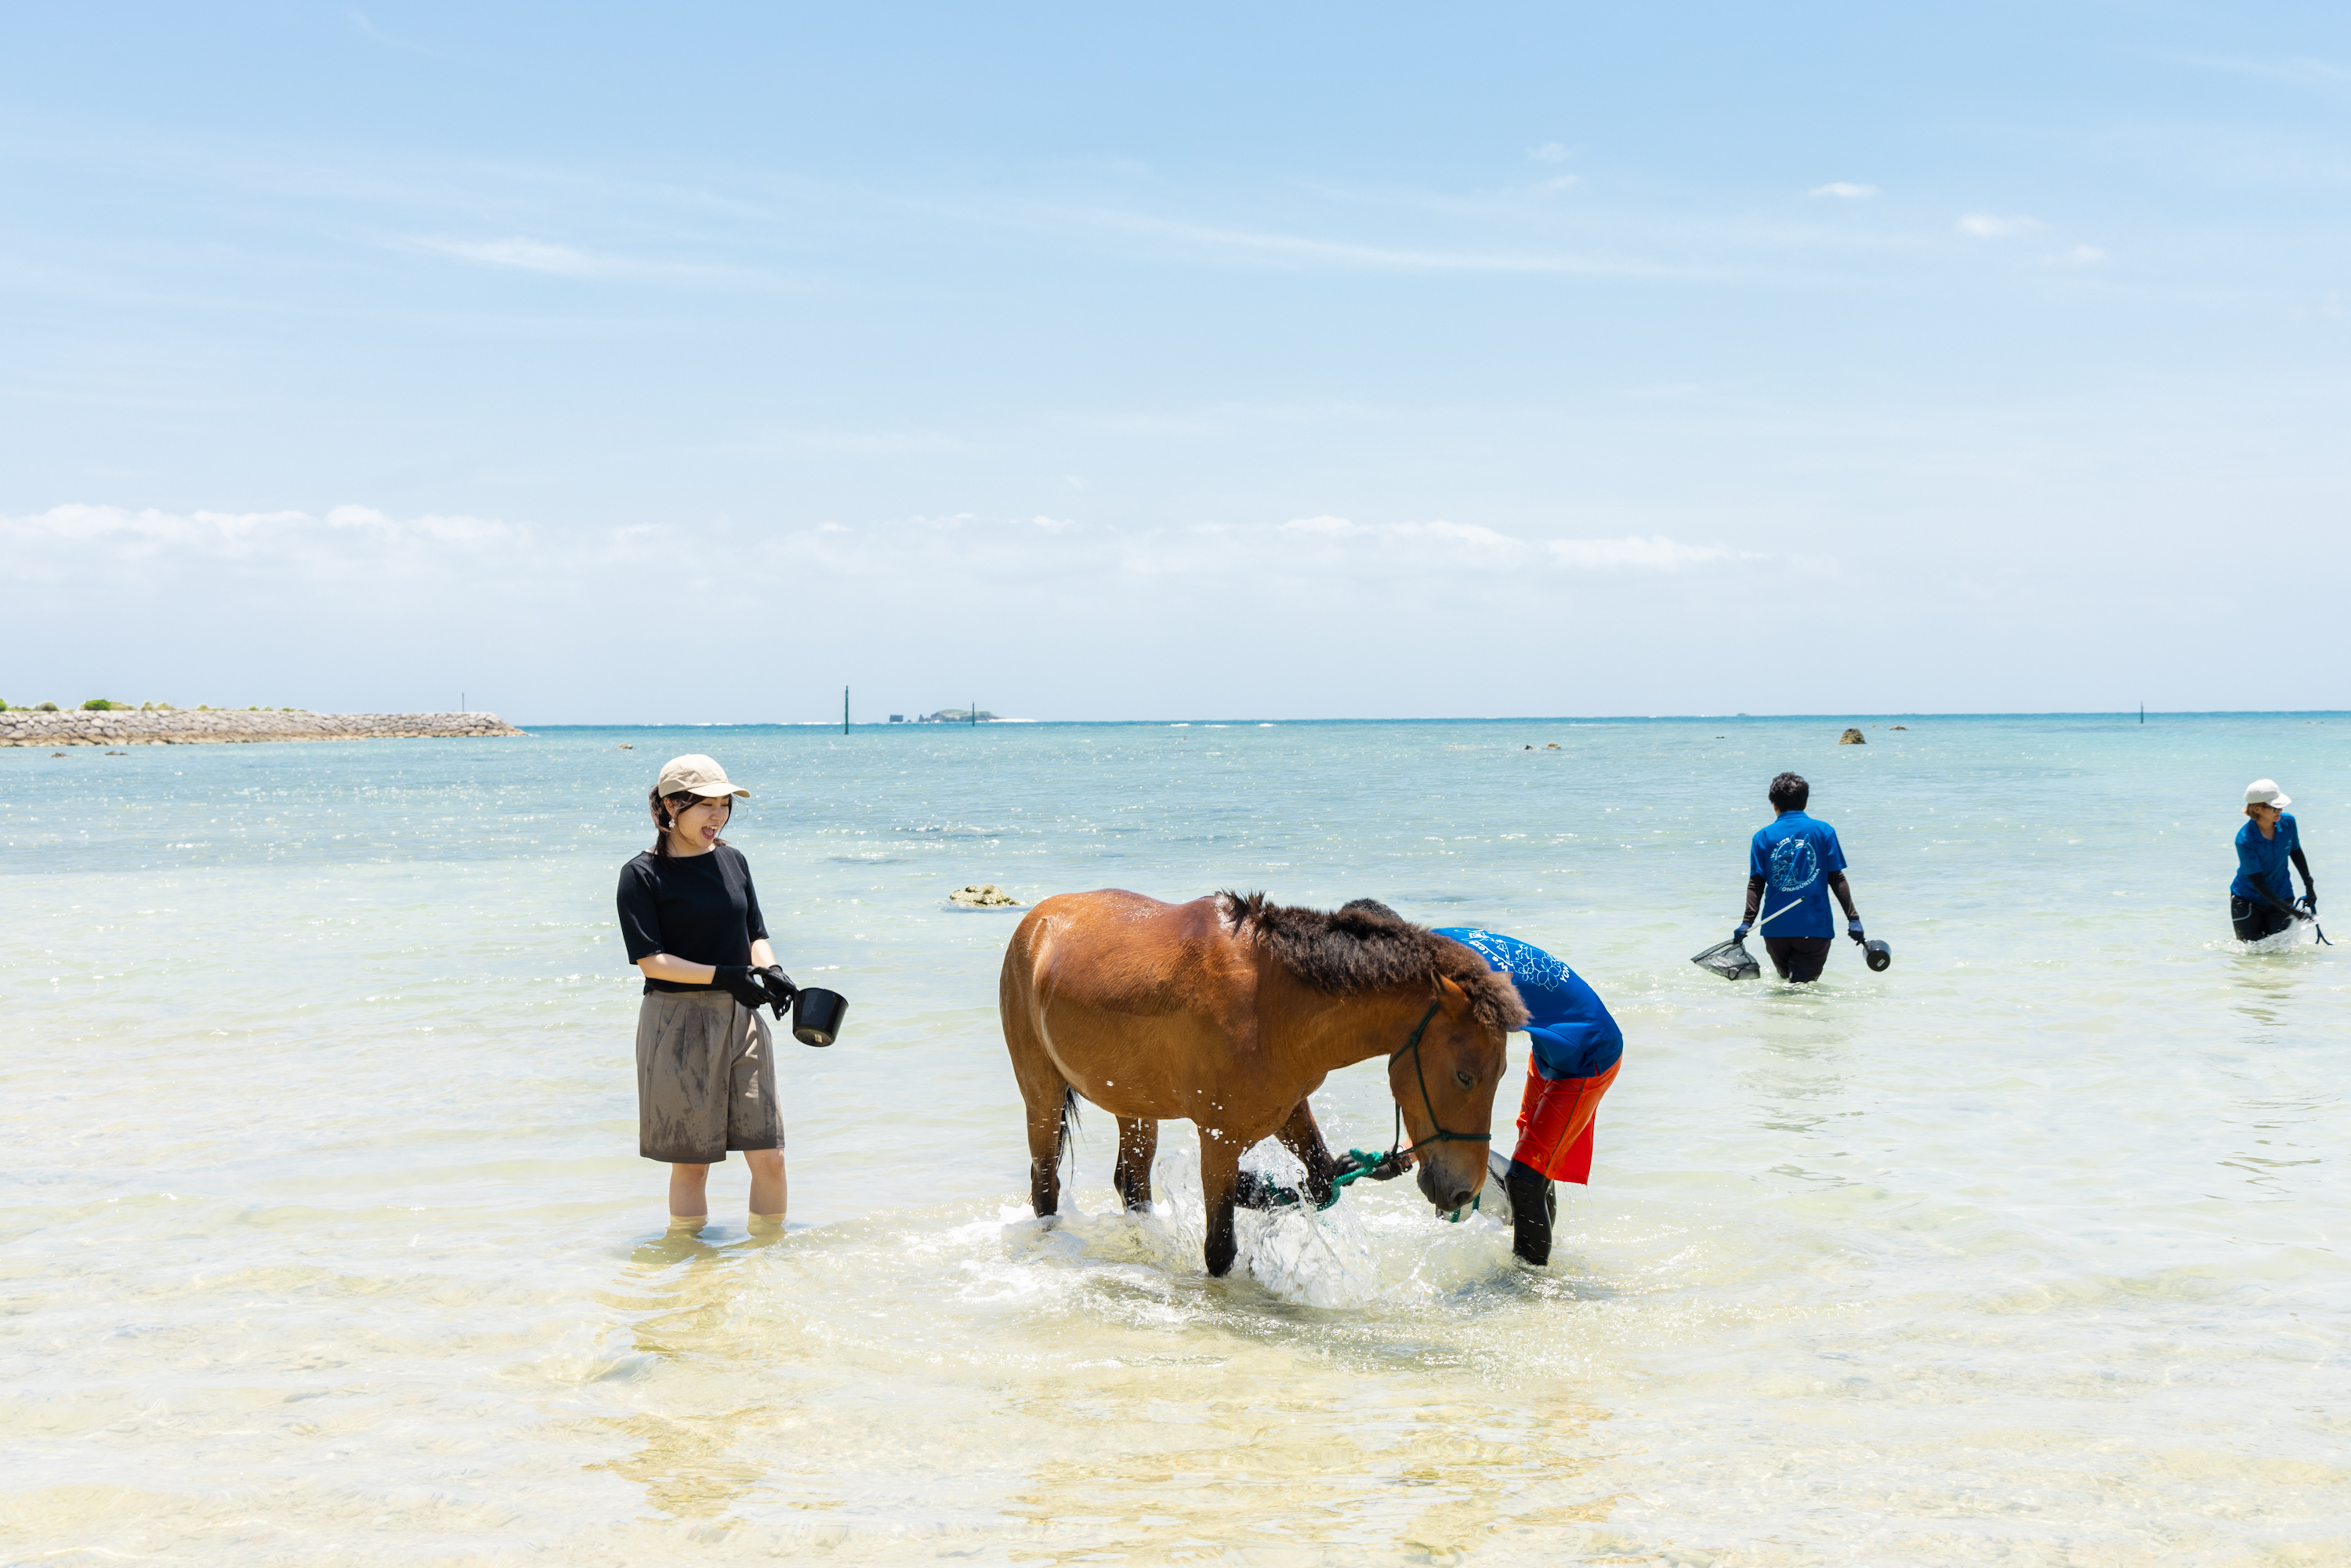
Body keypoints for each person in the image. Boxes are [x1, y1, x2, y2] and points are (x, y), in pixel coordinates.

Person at [614, 754, 796, 1235]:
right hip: (676, 1022)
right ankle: (691, 1273)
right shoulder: (642, 874)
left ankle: (768, 1262)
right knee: (693, 1164)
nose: (718, 816)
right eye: (707, 806)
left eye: (725, 805)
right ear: (673, 806)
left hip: (743, 1019)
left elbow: (755, 932)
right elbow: (652, 962)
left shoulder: (734, 861)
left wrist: (770, 970)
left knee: (771, 1156)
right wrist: (727, 976)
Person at [1428, 925, 1623, 1268]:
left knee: (1524, 1180)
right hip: (1554, 1045)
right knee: (1531, 1165)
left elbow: (1479, 1060)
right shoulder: (1439, 943)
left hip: (1588, 1052)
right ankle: (1543, 1249)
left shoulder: (1454, 978)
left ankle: (1529, 1289)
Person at [1734, 772, 1864, 983]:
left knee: (1787, 984)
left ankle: (1776, 1015)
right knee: (1803, 988)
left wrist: (1746, 922)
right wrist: (1853, 919)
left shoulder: (1762, 837)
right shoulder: (1823, 831)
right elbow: (1836, 878)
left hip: (1775, 931)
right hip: (1814, 930)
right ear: (1805, 802)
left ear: (1774, 805)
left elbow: (1756, 884)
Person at [2233, 778, 2316, 942]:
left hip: (2282, 894)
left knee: (2281, 952)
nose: (2281, 809)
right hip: (2248, 901)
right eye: (2275, 807)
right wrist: (2295, 912)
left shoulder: (2288, 822)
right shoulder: (2245, 840)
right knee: (2251, 952)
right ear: (2257, 809)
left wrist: (2309, 886)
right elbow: (2260, 885)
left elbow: (2296, 851)